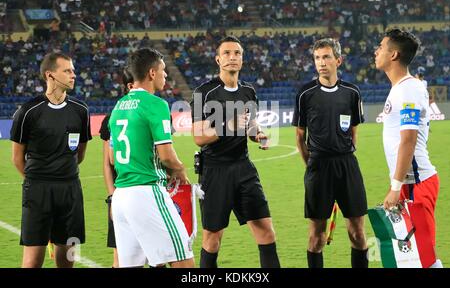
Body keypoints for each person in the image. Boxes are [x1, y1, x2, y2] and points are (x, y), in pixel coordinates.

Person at [191, 36, 280, 268]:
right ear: (218, 59)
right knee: (212, 239)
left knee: (266, 232)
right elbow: (199, 137)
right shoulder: (205, 92)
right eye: (227, 53)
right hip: (214, 170)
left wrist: (257, 134)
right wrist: (227, 125)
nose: (232, 57)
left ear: (242, 59)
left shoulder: (249, 92)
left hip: (244, 168)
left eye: (237, 53)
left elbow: (249, 126)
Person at [109, 48, 194, 268]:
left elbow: (112, 156)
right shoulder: (156, 104)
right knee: (184, 261)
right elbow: (166, 155)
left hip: (121, 197)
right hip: (146, 193)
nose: (166, 75)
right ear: (152, 73)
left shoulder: (118, 106)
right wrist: (180, 170)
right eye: (163, 71)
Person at [10, 52, 92, 268]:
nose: (74, 75)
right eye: (67, 70)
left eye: (73, 70)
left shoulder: (81, 110)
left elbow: (80, 154)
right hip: (38, 191)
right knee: (33, 261)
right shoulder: (28, 111)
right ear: (50, 75)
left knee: (68, 258)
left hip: (70, 190)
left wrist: (63, 173)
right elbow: (17, 158)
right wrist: (37, 180)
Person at [292, 38, 368, 268]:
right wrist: (311, 165)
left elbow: (354, 131)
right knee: (317, 237)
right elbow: (299, 136)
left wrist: (344, 153)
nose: (321, 62)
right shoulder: (305, 94)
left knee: (357, 233)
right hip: (318, 167)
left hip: (347, 165)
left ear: (338, 60)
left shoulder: (352, 92)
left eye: (326, 57)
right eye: (317, 58)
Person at [374, 28, 443, 268]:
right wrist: (397, 184)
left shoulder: (409, 88)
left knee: (424, 258)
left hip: (418, 184)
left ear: (393, 55)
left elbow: (408, 140)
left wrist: (396, 187)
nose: (376, 51)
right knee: (412, 257)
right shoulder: (401, 88)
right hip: (408, 183)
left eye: (381, 47)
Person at [99, 68, 134, 268]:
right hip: (123, 192)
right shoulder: (113, 117)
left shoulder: (152, 109)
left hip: (149, 190)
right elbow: (107, 162)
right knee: (120, 257)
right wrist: (112, 197)